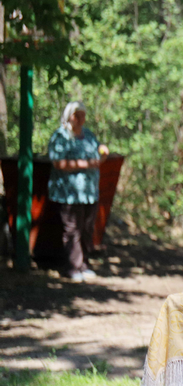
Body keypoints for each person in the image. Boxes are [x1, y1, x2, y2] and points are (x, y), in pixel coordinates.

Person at [48, 101, 108, 282]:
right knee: (72, 229)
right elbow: (58, 163)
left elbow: (98, 156)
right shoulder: (60, 136)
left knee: (87, 229)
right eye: (76, 115)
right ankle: (72, 267)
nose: (80, 119)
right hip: (68, 192)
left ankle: (83, 264)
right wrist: (86, 164)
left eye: (82, 115)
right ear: (69, 117)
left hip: (89, 192)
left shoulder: (89, 135)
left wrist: (103, 155)